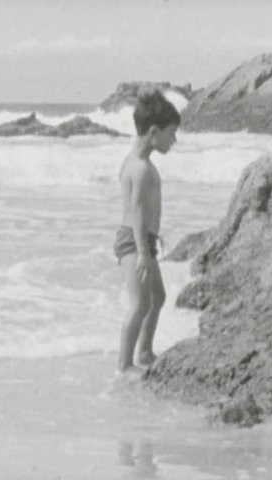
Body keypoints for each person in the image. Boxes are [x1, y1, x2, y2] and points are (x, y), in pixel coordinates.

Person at [114, 91, 179, 375]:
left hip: (143, 239)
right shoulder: (140, 168)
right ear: (154, 132)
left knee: (158, 297)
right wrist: (143, 251)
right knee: (140, 304)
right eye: (171, 133)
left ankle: (144, 352)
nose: (174, 140)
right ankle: (125, 365)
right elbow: (138, 210)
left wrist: (152, 239)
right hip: (134, 241)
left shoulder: (137, 162)